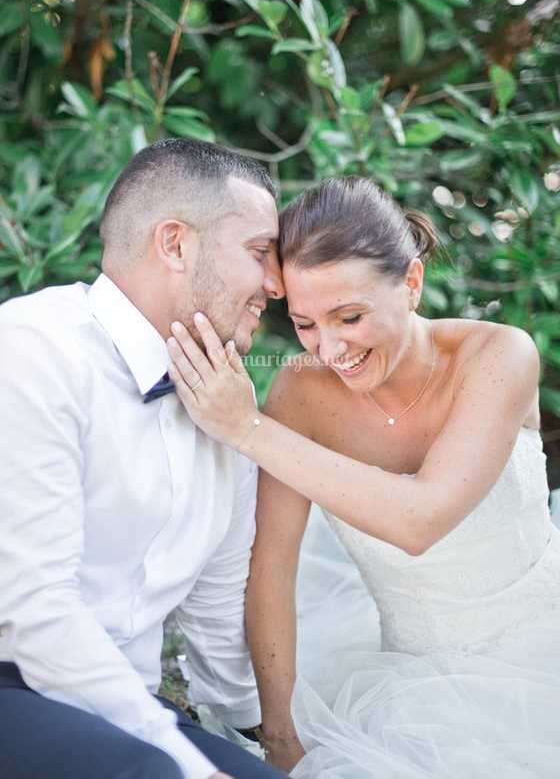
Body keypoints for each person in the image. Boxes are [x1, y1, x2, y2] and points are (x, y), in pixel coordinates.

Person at [166, 176, 560, 778]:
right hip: (403, 685)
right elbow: (271, 568)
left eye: (349, 316)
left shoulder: (500, 356)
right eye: (304, 324)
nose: (330, 349)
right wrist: (280, 732)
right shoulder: (299, 391)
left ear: (411, 283)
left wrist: (245, 427)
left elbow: (420, 520)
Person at [0, 138, 289, 779]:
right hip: (13, 679)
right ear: (176, 244)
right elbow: (35, 610)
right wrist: (185, 760)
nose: (276, 283)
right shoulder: (32, 348)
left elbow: (215, 616)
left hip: (127, 706)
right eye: (259, 253)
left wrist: (264, 743)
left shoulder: (227, 407)